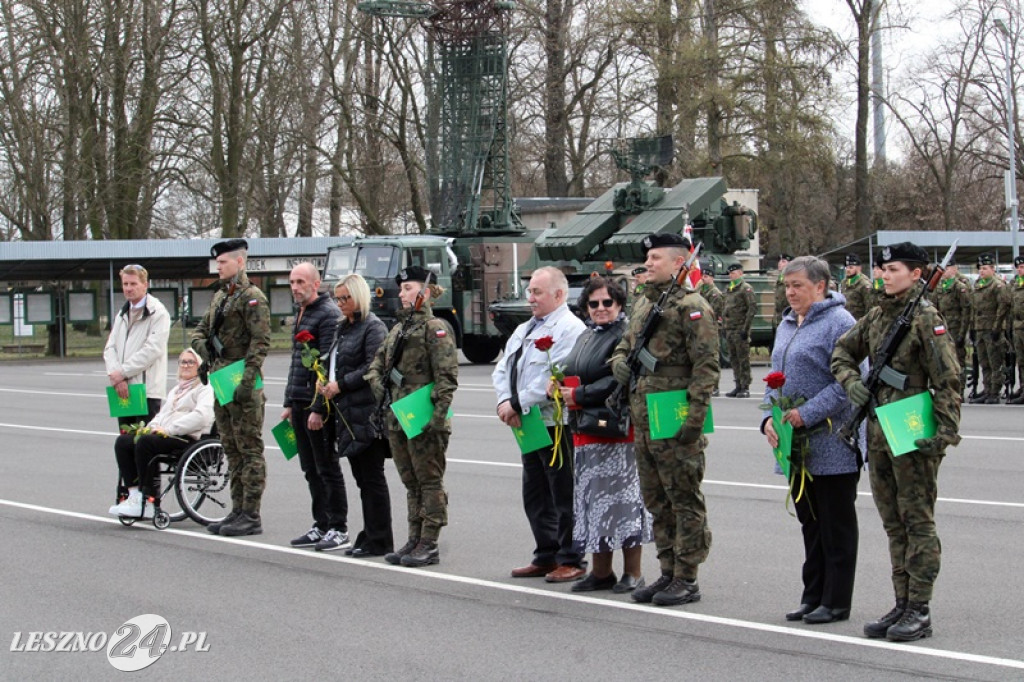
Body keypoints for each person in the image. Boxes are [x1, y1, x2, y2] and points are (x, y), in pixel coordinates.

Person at [831, 241, 961, 642]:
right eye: (883, 269)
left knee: (917, 522)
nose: (885, 275)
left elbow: (948, 380)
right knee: (893, 524)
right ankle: (902, 602)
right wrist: (851, 383)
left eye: (894, 269)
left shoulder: (926, 319)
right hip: (880, 432)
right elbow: (842, 352)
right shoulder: (875, 317)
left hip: (913, 430)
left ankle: (919, 609)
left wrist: (943, 433)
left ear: (917, 275)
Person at [610, 233, 719, 607]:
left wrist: (695, 419)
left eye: (656, 257)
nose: (649, 263)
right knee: (657, 500)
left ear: (679, 263)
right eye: (648, 258)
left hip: (675, 415)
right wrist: (620, 363)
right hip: (645, 417)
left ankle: (687, 577)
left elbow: (706, 367)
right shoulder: (643, 303)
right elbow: (625, 343)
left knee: (684, 498)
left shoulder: (693, 306)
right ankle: (668, 571)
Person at [761, 256, 860, 625]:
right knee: (811, 523)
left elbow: (850, 383)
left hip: (832, 440)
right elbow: (775, 377)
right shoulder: (787, 323)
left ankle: (836, 601)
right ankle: (813, 595)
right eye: (787, 285)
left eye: (798, 285)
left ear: (821, 286)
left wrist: (808, 413)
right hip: (793, 443)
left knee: (836, 525)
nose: (790, 292)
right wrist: (767, 421)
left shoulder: (841, 323)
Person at [555, 277, 653, 593]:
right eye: (593, 303)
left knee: (623, 504)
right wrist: (556, 386)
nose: (600, 309)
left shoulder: (625, 336)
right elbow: (574, 372)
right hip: (586, 432)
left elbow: (619, 380)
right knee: (593, 503)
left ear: (620, 305)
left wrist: (579, 395)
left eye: (607, 302)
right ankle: (601, 572)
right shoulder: (585, 335)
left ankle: (633, 572)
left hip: (617, 431)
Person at [494, 266, 587, 583]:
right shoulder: (524, 329)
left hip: (555, 423)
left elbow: (557, 370)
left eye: (537, 292)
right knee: (535, 492)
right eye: (529, 291)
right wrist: (504, 401)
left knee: (563, 492)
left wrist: (518, 402)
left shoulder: (570, 328)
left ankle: (571, 557)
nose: (530, 298)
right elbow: (502, 369)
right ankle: (545, 554)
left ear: (559, 295)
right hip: (528, 423)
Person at [365, 266, 458, 567]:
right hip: (399, 416)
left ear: (426, 292)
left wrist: (438, 417)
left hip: (424, 417)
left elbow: (447, 378)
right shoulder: (398, 329)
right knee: (411, 482)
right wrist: (382, 390)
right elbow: (376, 366)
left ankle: (429, 542)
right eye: (401, 289)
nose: (401, 294)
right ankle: (414, 538)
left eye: (408, 288)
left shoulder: (435, 328)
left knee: (429, 480)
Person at [191, 239, 271, 537]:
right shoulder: (220, 297)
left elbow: (260, 341)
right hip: (222, 378)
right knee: (231, 448)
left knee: (250, 449)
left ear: (239, 262)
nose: (218, 267)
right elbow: (200, 332)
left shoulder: (252, 297)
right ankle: (237, 510)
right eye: (217, 263)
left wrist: (247, 380)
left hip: (242, 382)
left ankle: (251, 513)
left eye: (223, 262)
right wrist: (207, 350)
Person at [318, 274, 394, 556]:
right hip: (347, 412)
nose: (339, 304)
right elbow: (335, 361)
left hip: (367, 412)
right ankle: (369, 533)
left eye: (344, 298)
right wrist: (326, 379)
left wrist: (342, 383)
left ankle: (380, 538)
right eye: (337, 298)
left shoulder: (373, 327)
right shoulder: (343, 328)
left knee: (372, 478)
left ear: (358, 296)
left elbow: (373, 366)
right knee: (362, 478)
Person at [283, 263, 347, 551]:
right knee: (309, 468)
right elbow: (297, 361)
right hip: (299, 402)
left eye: (300, 281)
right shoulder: (302, 311)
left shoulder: (328, 314)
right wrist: (288, 402)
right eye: (292, 282)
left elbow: (326, 366)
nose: (295, 287)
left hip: (316, 405)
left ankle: (337, 527)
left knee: (327, 467)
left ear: (316, 283)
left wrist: (319, 408)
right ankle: (320, 523)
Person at [110, 349, 215, 517]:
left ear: (200, 366)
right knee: (124, 441)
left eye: (191, 362)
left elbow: (202, 416)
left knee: (145, 443)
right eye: (182, 362)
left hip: (187, 437)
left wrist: (168, 429)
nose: (186, 365)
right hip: (166, 434)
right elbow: (162, 414)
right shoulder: (177, 389)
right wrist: (151, 427)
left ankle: (149, 498)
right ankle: (134, 494)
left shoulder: (204, 387)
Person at [103, 264, 170, 427]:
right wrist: (117, 377)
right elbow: (110, 348)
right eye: (125, 284)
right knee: (125, 441)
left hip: (146, 391)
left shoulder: (158, 313)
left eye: (133, 284)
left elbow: (152, 350)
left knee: (143, 442)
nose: (129, 288)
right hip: (122, 389)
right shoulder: (122, 313)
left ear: (145, 285)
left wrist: (123, 373)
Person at [969, 253, 1010, 404]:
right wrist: (973, 327)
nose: (982, 271)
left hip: (992, 328)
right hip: (980, 328)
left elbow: (1002, 307)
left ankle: (995, 392)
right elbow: (974, 308)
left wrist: (997, 328)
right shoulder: (978, 284)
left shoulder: (997, 285)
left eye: (985, 268)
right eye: (980, 268)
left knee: (995, 363)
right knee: (983, 362)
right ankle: (987, 390)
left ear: (993, 269)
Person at [932, 259, 972, 398]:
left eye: (948, 268)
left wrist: (962, 333)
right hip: (942, 329)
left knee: (958, 362)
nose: (945, 271)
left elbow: (966, 311)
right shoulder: (939, 287)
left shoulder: (959, 287)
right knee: (943, 360)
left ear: (955, 269)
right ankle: (947, 390)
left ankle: (959, 391)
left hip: (955, 329)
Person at [722, 262, 755, 398]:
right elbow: (725, 309)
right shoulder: (729, 289)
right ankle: (738, 385)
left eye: (734, 272)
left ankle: (745, 387)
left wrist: (745, 329)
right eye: (730, 273)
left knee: (743, 359)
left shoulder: (745, 288)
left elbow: (752, 308)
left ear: (741, 273)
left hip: (740, 329)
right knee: (734, 359)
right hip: (730, 329)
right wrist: (724, 326)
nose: (731, 275)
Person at [697, 264, 725, 397]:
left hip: (711, 329)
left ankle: (715, 386)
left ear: (712, 278)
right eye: (703, 276)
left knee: (712, 357)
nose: (703, 278)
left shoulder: (715, 294)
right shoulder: (701, 291)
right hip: (700, 329)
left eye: (706, 276)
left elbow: (713, 313)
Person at [1009, 256, 1024, 404]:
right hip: (1017, 327)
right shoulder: (1015, 284)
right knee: (1021, 361)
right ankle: (1022, 388)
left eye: (1023, 267)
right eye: (1018, 267)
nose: (1020, 270)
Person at [840, 253, 872, 320]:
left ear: (859, 268)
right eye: (847, 267)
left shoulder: (864, 284)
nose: (848, 270)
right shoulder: (844, 283)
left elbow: (869, 308)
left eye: (851, 267)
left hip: (858, 323)